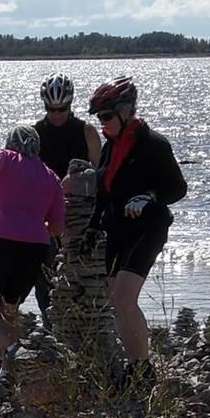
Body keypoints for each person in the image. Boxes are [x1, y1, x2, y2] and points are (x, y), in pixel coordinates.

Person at [87, 76, 187, 389]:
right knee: (115, 300)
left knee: (123, 298)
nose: (102, 124)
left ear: (126, 110)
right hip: (117, 231)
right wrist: (92, 227)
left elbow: (177, 188)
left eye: (106, 117)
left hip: (148, 228)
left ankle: (144, 370)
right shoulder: (109, 148)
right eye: (99, 118)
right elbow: (103, 193)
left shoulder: (153, 144)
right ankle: (135, 364)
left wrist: (150, 196)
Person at [0, 125, 66, 378]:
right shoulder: (51, 176)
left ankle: (14, 348)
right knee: (9, 307)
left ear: (10, 143)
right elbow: (57, 227)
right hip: (36, 247)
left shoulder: (7, 157)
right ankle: (7, 369)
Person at [32, 74, 102, 327]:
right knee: (46, 276)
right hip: (45, 217)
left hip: (80, 217)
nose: (57, 114)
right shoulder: (35, 134)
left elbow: (100, 174)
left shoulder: (87, 131)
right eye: (51, 109)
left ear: (71, 105)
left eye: (62, 109)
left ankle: (88, 328)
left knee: (85, 276)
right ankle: (51, 327)